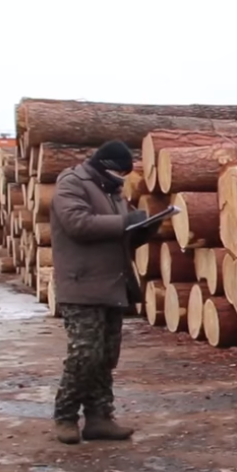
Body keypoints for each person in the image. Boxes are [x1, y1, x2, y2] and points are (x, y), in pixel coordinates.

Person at [49, 140, 160, 445]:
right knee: (85, 355)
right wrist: (126, 221)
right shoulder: (72, 183)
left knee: (106, 356)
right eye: (119, 172)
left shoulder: (112, 190)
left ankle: (99, 417)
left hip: (112, 283)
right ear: (106, 166)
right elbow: (78, 224)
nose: (122, 179)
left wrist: (142, 230)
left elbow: (116, 236)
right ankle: (66, 416)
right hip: (81, 284)